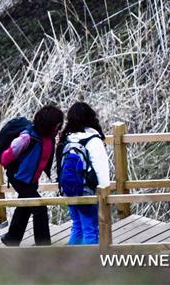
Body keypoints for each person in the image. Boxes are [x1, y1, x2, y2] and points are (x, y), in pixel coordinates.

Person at [0, 105, 64, 247]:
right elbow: (5, 158)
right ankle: (43, 244)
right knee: (39, 208)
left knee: (25, 205)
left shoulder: (49, 138)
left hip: (31, 179)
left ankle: (12, 238)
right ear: (49, 124)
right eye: (57, 125)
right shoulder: (27, 137)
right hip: (19, 178)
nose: (59, 128)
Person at [57, 102, 110, 245]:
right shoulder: (93, 140)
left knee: (77, 228)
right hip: (86, 191)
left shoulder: (66, 138)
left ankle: (68, 263)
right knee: (90, 230)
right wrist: (105, 192)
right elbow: (101, 169)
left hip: (69, 190)